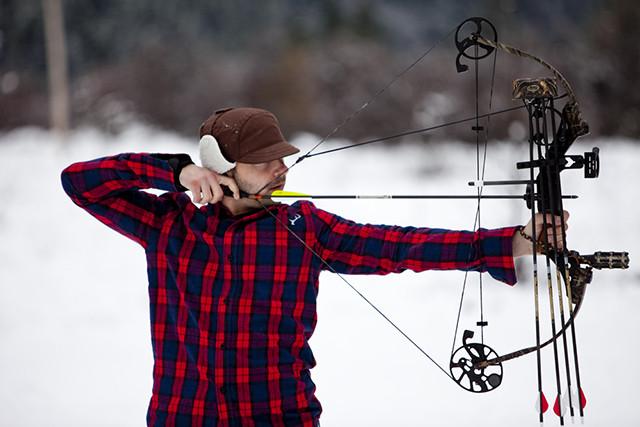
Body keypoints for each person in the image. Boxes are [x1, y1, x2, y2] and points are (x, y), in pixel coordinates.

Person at [61, 107, 567, 427]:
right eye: (265, 161)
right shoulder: (167, 224)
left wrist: (518, 241)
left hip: (279, 416)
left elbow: (397, 246)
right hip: (182, 415)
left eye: (281, 158)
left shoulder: (303, 227)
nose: (282, 169)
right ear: (220, 169)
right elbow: (80, 182)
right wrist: (174, 171)